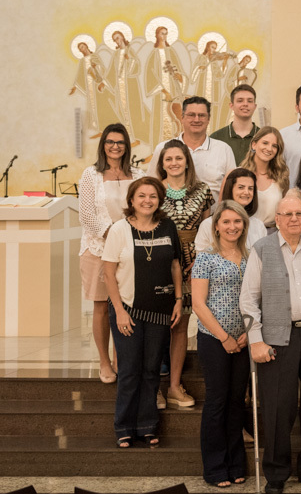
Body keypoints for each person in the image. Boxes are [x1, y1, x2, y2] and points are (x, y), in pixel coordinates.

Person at [241, 195, 301, 494]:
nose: (294, 219)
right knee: (276, 410)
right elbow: (248, 300)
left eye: (299, 213)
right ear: (278, 218)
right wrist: (256, 341)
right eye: (288, 214)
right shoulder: (261, 249)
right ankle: (276, 473)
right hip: (274, 340)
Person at [103, 177, 183, 448]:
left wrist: (178, 299)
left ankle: (147, 425)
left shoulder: (168, 226)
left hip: (160, 311)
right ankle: (123, 426)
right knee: (129, 371)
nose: (147, 200)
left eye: (153, 196)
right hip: (127, 310)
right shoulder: (119, 229)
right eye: (142, 196)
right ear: (132, 200)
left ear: (160, 200)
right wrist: (119, 312)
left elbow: (175, 265)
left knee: (151, 371)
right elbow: (108, 274)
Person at [191, 201, 252, 487]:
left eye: (237, 222)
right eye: (226, 222)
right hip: (214, 339)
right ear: (216, 225)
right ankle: (215, 468)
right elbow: (198, 305)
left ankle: (236, 463)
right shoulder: (205, 258)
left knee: (236, 402)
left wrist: (248, 334)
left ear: (244, 225)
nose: (232, 227)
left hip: (244, 340)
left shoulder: (251, 257)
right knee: (217, 401)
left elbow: (257, 298)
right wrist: (224, 337)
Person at [79, 123, 145, 385]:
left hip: (130, 249)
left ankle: (122, 359)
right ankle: (104, 362)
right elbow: (86, 215)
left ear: (126, 146)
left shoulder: (138, 173)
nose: (115, 146)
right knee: (101, 306)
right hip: (97, 247)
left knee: (126, 305)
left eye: (120, 142)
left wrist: (127, 240)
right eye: (110, 141)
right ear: (103, 144)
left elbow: (145, 206)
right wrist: (113, 235)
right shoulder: (90, 175)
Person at [157, 138, 215, 409]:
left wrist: (200, 258)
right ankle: (153, 387)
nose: (174, 163)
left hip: (194, 262)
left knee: (181, 325)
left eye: (178, 158)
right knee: (157, 325)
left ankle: (174, 386)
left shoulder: (202, 190)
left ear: (187, 161)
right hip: (160, 260)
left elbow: (208, 228)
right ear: (162, 163)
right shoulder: (154, 190)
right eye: (168, 159)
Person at [150, 96, 237, 199]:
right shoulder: (162, 148)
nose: (196, 119)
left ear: (208, 119)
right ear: (182, 118)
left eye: (201, 115)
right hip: (169, 213)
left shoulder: (224, 149)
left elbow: (233, 188)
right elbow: (151, 185)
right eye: (191, 115)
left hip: (215, 214)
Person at [195, 168, 268, 254]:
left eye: (250, 188)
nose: (246, 192)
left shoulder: (258, 225)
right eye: (241, 187)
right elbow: (201, 262)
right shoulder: (208, 225)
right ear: (230, 189)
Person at [239, 126, 289, 228]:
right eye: (265, 143)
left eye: (274, 146)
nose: (269, 149)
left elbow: (284, 212)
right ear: (254, 145)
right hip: (243, 232)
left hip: (272, 234)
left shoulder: (281, 177)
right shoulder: (238, 174)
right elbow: (225, 209)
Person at [209, 84, 259, 164]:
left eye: (250, 101)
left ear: (255, 106)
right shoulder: (216, 138)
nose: (245, 104)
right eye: (240, 100)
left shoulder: (264, 136)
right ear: (231, 106)